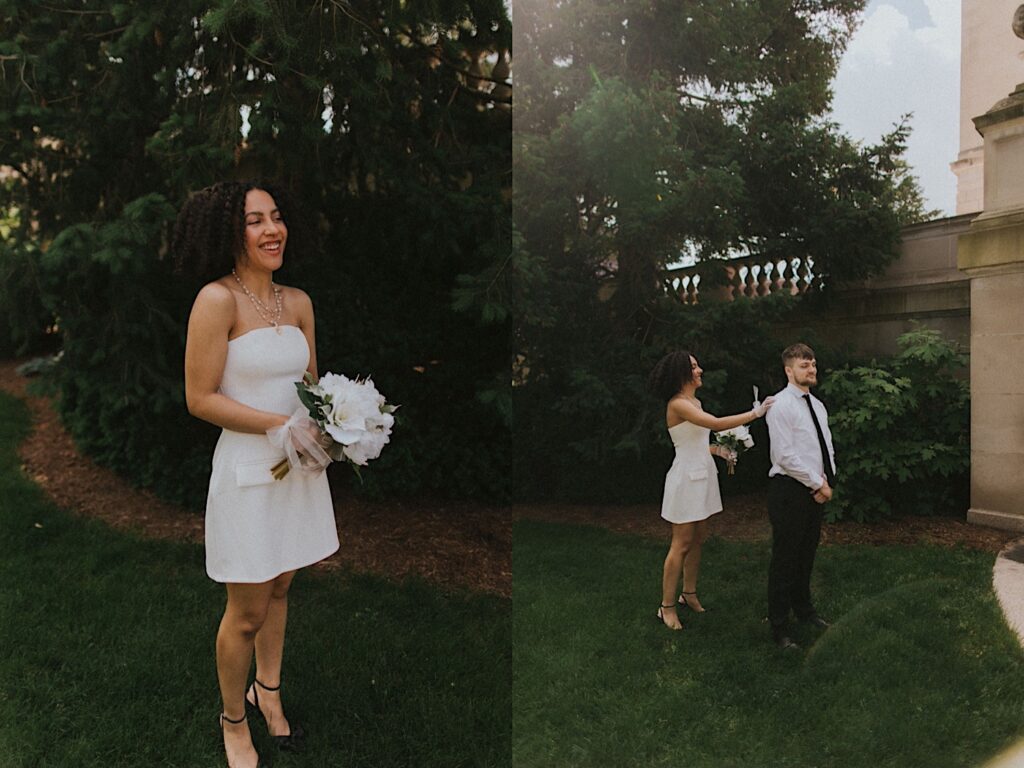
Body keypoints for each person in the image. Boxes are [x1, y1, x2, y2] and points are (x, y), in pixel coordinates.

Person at [177, 181, 340, 768]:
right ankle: (233, 720)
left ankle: (267, 691)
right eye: (254, 220)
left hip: (299, 471)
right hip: (249, 473)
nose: (272, 229)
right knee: (245, 612)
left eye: (276, 217)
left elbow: (314, 387)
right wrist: (277, 425)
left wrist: (343, 422)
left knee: (281, 586)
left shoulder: (298, 302)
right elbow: (199, 397)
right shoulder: (216, 301)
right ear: (231, 233)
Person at [649, 351, 772, 631]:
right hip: (685, 480)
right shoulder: (678, 404)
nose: (700, 370)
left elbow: (694, 441)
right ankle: (666, 607)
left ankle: (688, 593)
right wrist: (756, 413)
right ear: (682, 373)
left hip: (703, 475)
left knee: (699, 537)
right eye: (694, 367)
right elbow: (715, 424)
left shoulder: (694, 401)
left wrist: (718, 450)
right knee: (680, 544)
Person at [764, 342, 836, 650]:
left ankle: (804, 611)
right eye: (804, 365)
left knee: (806, 554)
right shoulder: (781, 405)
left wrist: (827, 481)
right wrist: (816, 483)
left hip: (815, 489)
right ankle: (779, 626)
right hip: (789, 491)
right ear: (788, 370)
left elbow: (825, 448)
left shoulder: (817, 405)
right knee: (785, 559)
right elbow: (785, 456)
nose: (812, 369)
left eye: (814, 364)